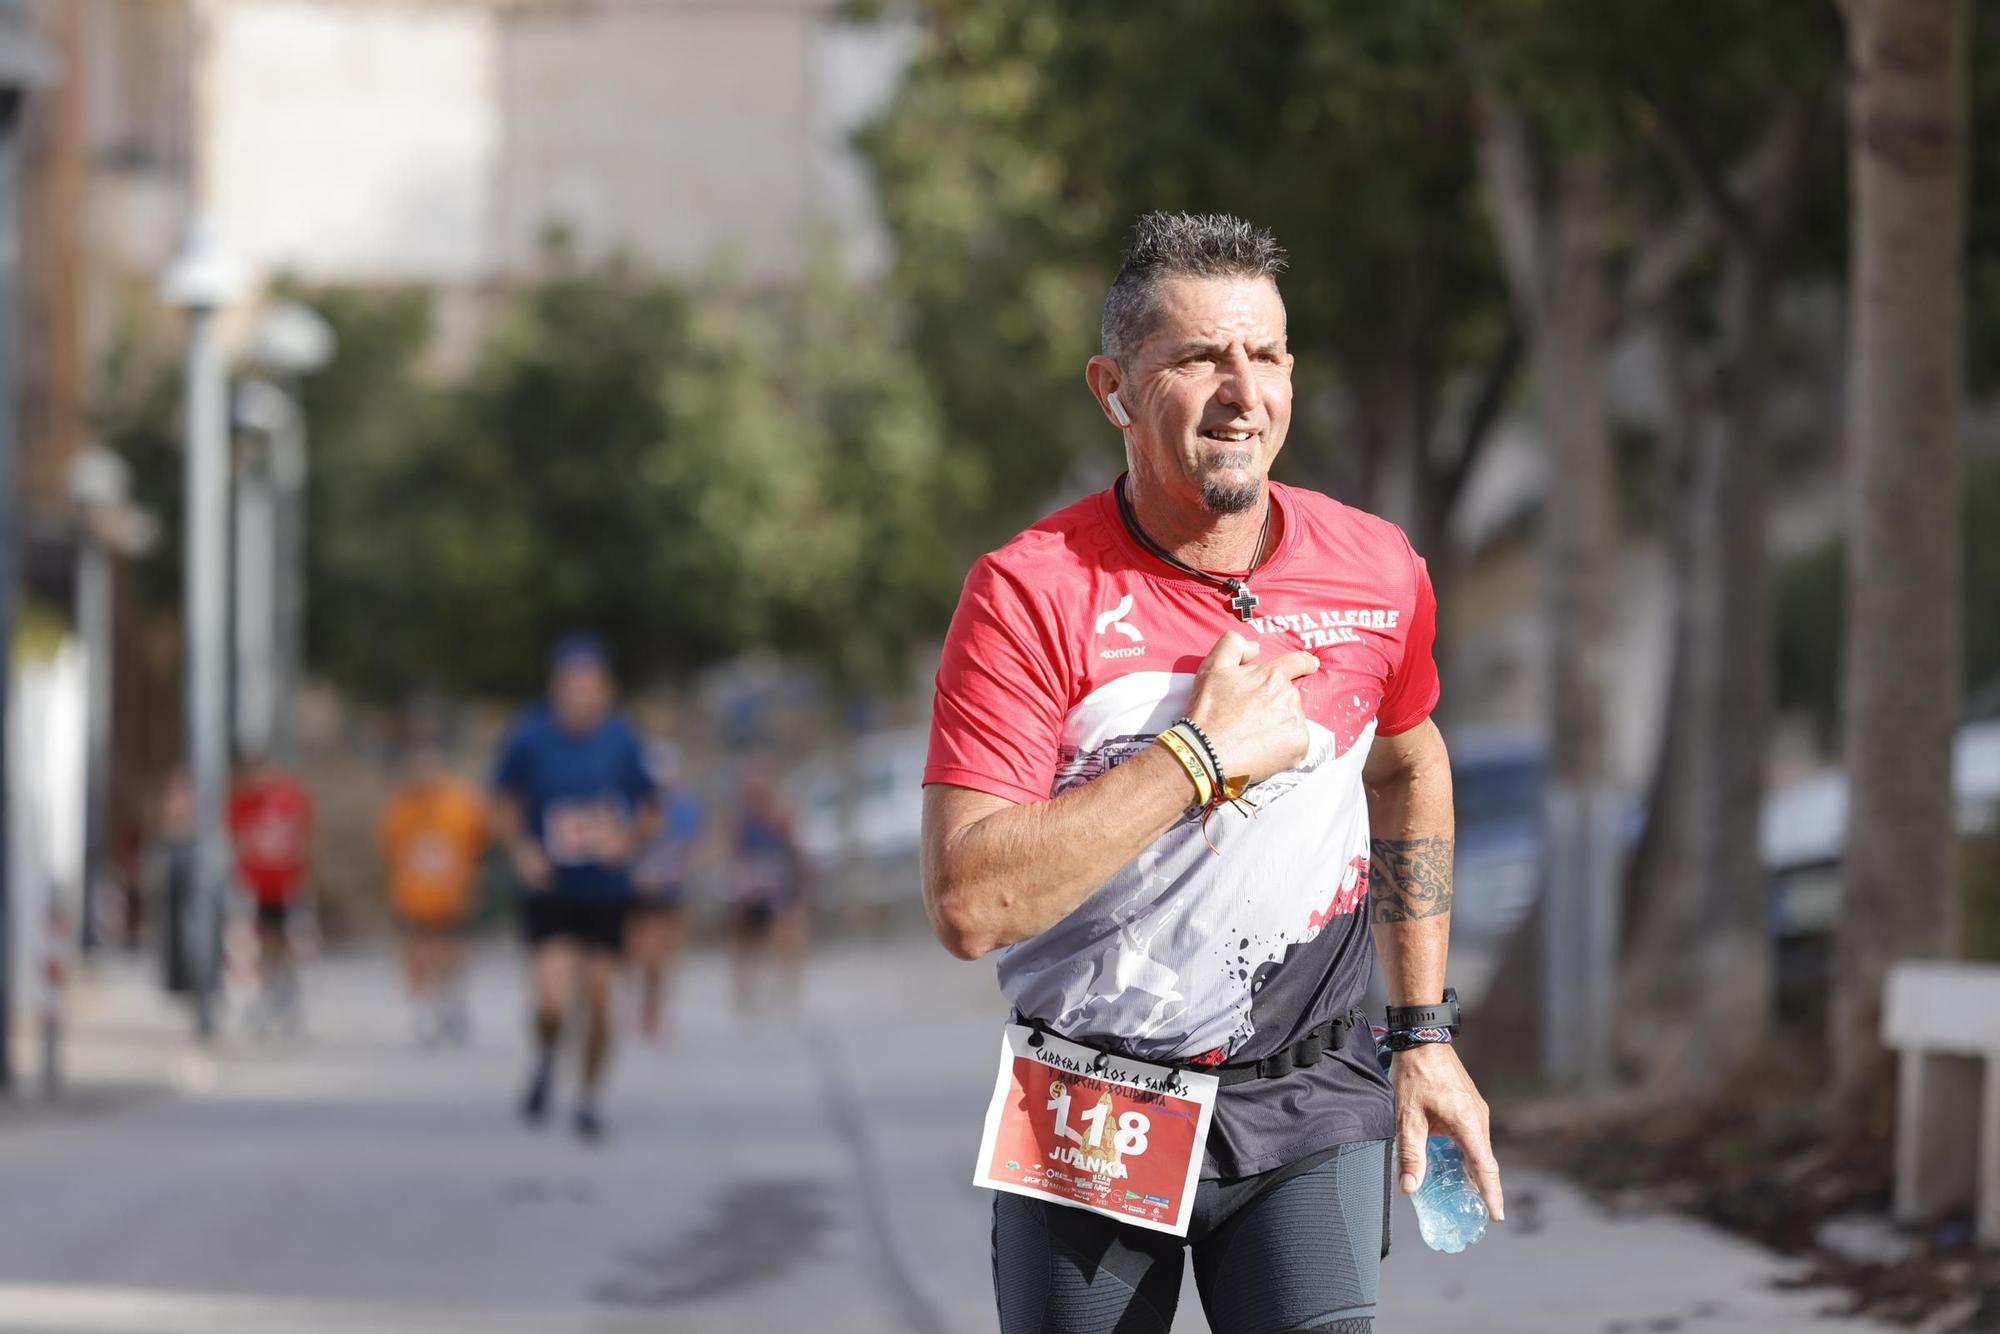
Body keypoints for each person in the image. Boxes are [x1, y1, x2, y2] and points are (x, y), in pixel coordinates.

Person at [922, 212, 1503, 1333]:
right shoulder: (1028, 594)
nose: (1244, 390)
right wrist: (1195, 756)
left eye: (1267, 354)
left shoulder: (1376, 569)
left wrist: (1422, 1031)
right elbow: (967, 900)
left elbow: (1407, 762)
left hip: (1309, 1094)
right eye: (1197, 357)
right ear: (1113, 387)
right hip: (1094, 1101)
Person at [493, 635, 659, 1141]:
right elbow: (502, 804)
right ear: (556, 687)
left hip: (606, 891)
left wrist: (625, 840)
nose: (582, 695)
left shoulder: (623, 741)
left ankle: (587, 1099)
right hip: (552, 890)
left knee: (604, 1006)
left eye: (591, 686)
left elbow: (652, 811)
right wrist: (524, 852)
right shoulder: (529, 738)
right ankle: (546, 1056)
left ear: (606, 689)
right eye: (572, 685)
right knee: (552, 1003)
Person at [379, 740, 490, 1045]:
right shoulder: (401, 808)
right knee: (417, 947)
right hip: (413, 893)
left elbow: (478, 845)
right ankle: (424, 1002)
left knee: (449, 948)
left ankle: (449, 997)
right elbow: (390, 850)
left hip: (451, 892)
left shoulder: (460, 804)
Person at [228, 753, 314, 1033]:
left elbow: (305, 838)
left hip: (286, 883)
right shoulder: (242, 803)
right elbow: (234, 838)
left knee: (288, 939)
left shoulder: (290, 799)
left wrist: (304, 876)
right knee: (259, 940)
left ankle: (288, 992)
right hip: (256, 884)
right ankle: (263, 993)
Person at [626, 742, 704, 1042]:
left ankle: (652, 1010)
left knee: (658, 959)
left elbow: (694, 849)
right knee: (634, 954)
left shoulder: (684, 809)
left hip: (668, 893)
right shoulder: (631, 805)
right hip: (634, 892)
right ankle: (632, 1004)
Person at [726, 759, 808, 1019]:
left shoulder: (780, 815)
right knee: (744, 936)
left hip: (778, 883)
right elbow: (733, 854)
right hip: (751, 885)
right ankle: (746, 990)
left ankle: (788, 986)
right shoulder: (741, 820)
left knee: (788, 929)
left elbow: (794, 850)